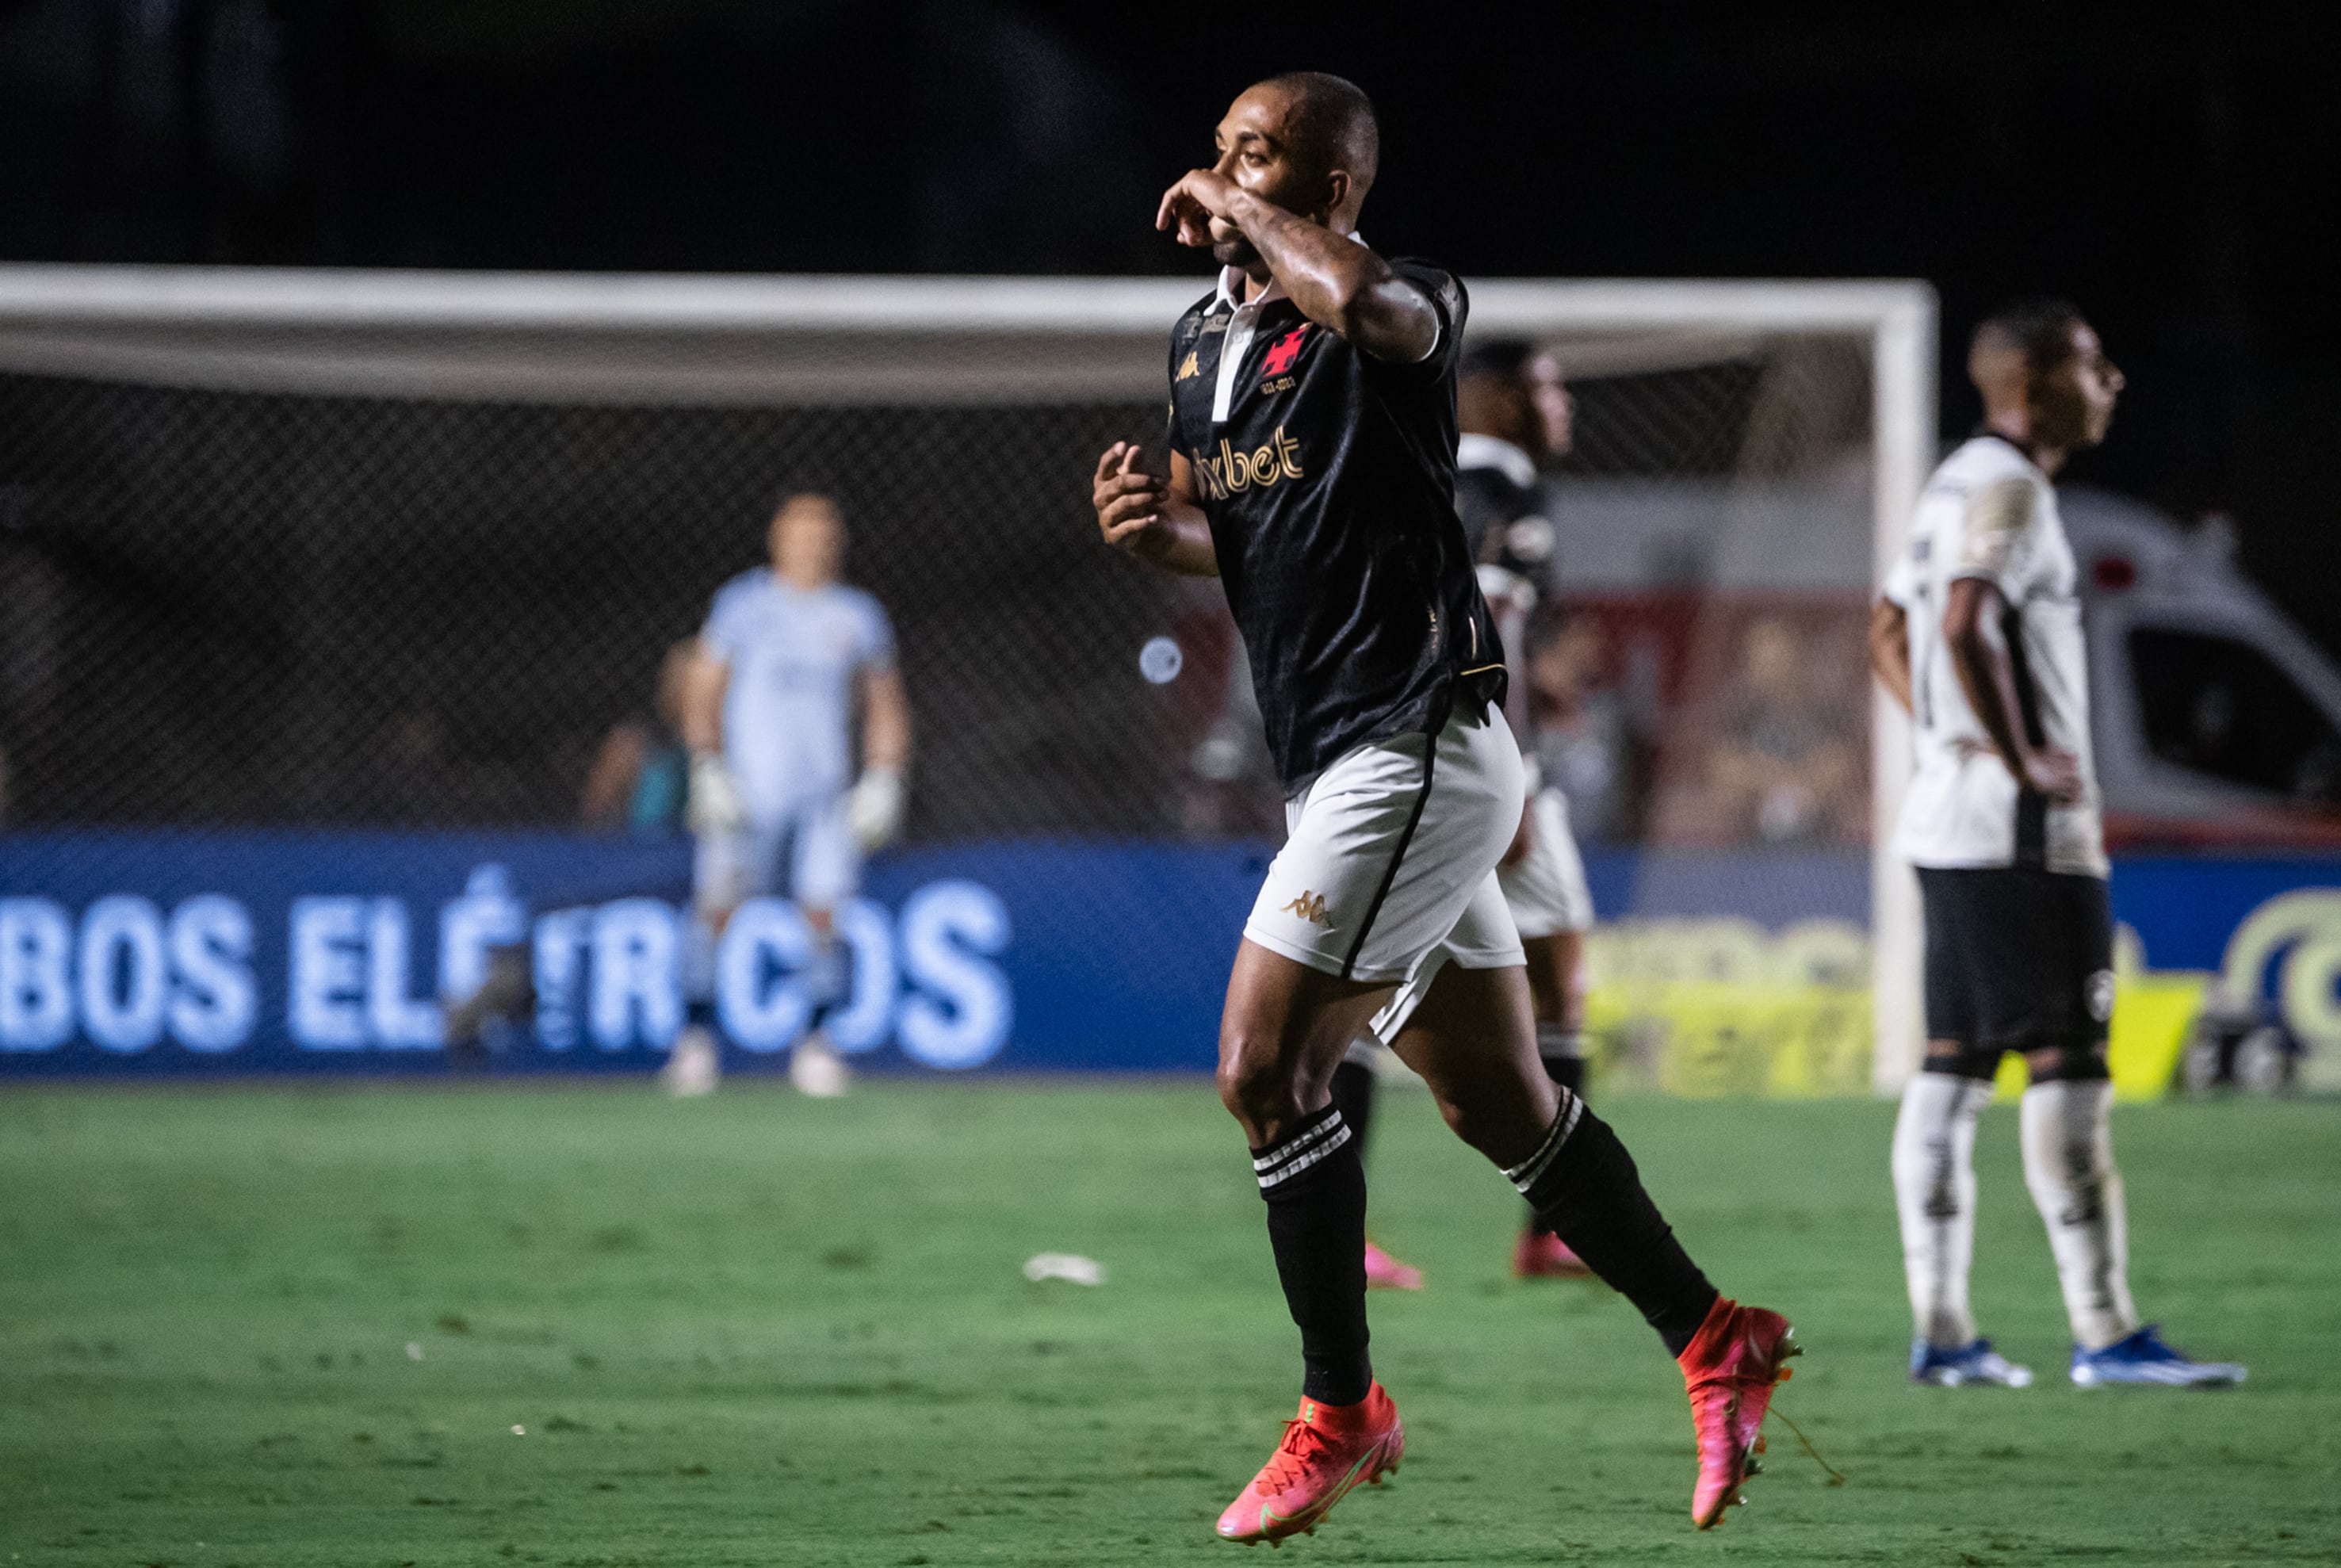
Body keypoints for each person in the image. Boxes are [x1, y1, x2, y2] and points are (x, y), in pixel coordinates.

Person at [1093, 71, 1796, 1543]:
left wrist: (1239, 212)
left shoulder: (1397, 301)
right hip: (1342, 760)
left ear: (1333, 183)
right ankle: (1710, 1334)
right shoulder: (1203, 341)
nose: (1220, 174)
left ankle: (1338, 1410)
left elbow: (1365, 310)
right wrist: (1155, 537)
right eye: (1218, 150)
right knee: (1496, 1101)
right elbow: (1245, 541)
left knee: (1259, 1068)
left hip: (1410, 740)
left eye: (1259, 157)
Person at [1872, 300, 2244, 1390]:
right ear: (2033, 382)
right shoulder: (2012, 488)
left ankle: (1943, 1333)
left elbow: (1888, 629)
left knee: (1953, 1065)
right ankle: (2105, 1331)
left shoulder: (1948, 483)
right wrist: (2022, 752)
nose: (2113, 380)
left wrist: (1948, 740)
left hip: (1949, 817)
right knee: (2069, 1064)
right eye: (2091, 363)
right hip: (2021, 831)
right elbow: (1958, 622)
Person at [1326, 338, 1601, 1286]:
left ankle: (1540, 1228)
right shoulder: (1502, 488)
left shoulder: (1432, 478)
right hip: (1479, 764)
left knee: (1365, 992)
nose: (1563, 403)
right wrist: (1514, 762)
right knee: (1551, 975)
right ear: (1493, 397)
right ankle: (1553, 1227)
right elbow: (1484, 621)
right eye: (1546, 385)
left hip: (1409, 747)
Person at [675, 492, 912, 1098]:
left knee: (825, 917)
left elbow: (884, 704)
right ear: (777, 540)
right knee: (716, 910)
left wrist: (884, 777)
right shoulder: (742, 605)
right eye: (802, 534)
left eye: (825, 535)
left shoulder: (857, 615)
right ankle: (696, 1042)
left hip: (823, 798)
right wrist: (706, 764)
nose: (814, 546)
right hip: (747, 794)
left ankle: (814, 1044)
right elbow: (702, 688)